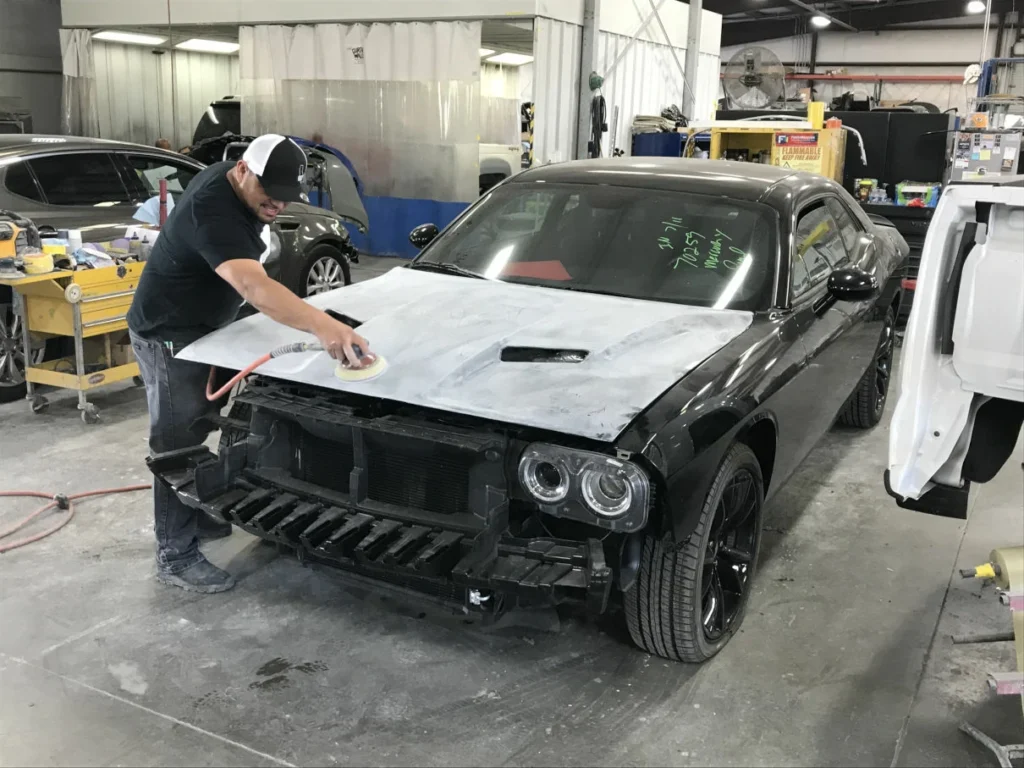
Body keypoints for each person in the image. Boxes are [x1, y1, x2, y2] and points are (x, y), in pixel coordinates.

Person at [127, 133, 371, 594]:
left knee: (200, 426)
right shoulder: (213, 210)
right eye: (270, 195)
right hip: (168, 334)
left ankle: (195, 515)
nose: (278, 205)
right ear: (243, 169)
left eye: (286, 198)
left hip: (205, 331)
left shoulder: (235, 183)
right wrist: (325, 327)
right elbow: (256, 288)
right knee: (175, 443)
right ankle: (174, 553)